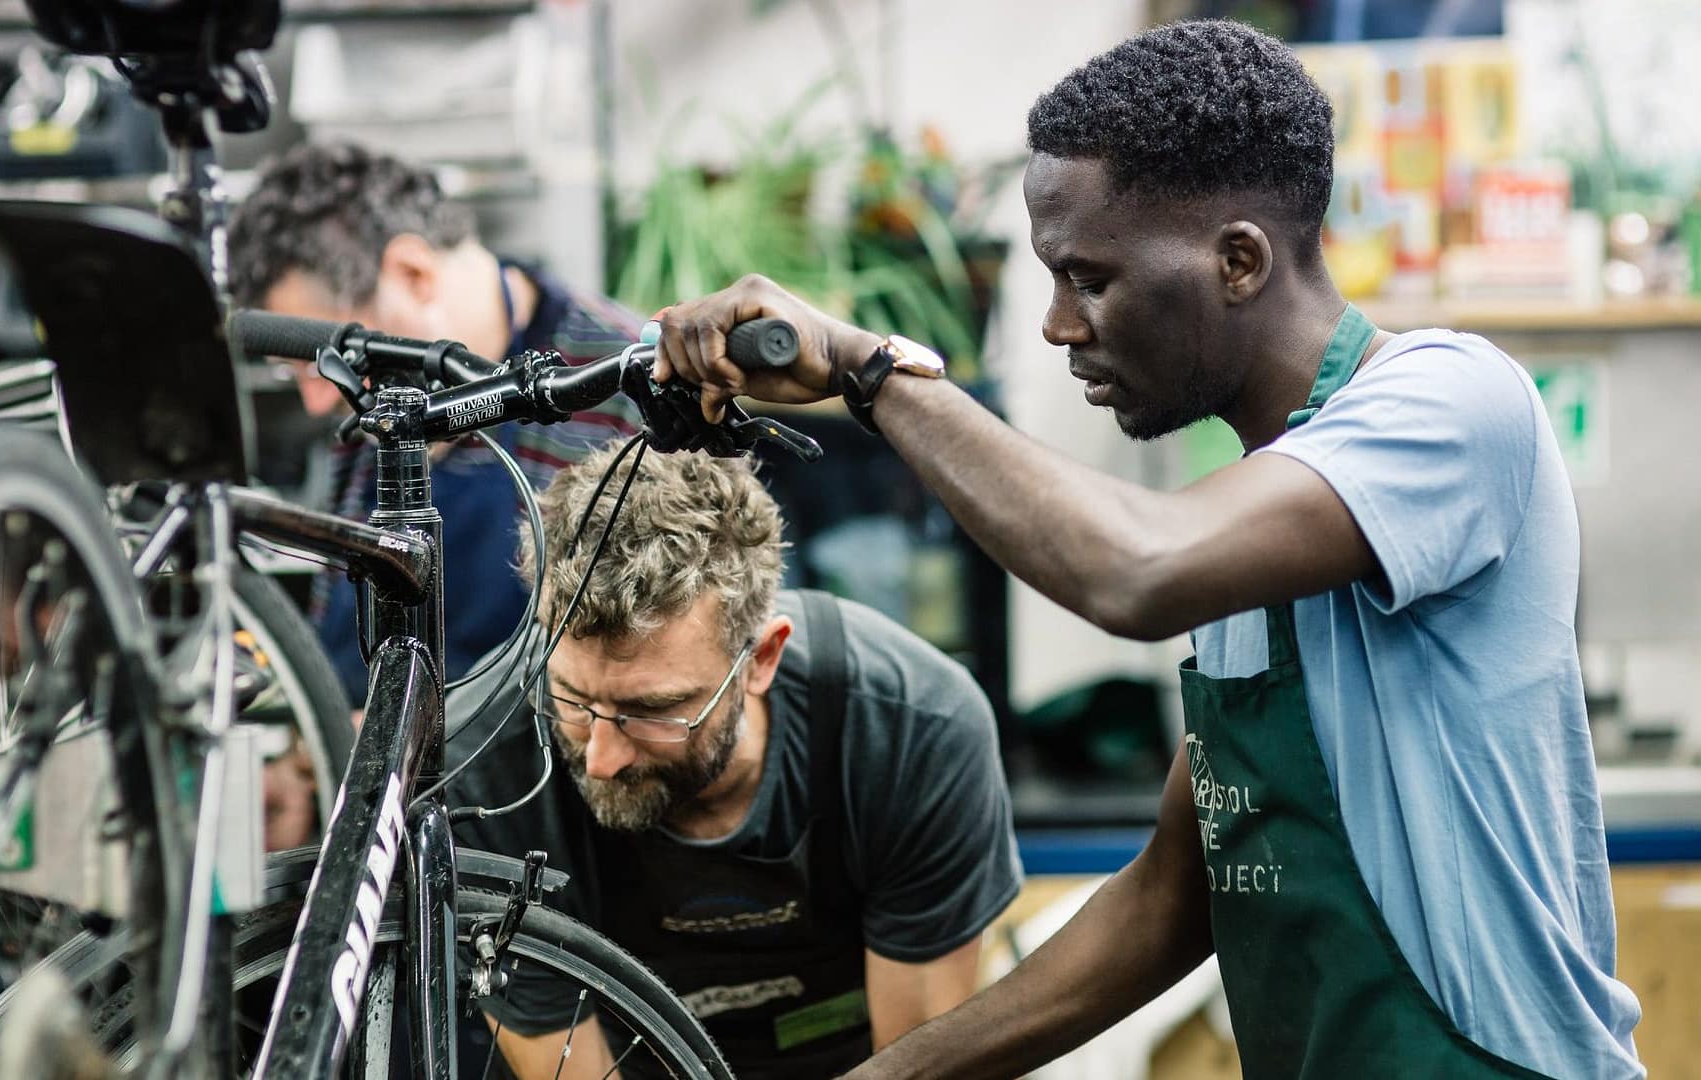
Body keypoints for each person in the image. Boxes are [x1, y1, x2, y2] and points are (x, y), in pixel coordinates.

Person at [652, 19, 1643, 1080]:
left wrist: (871, 371)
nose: (1056, 324)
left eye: (1090, 278)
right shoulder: (1254, 527)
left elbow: (1133, 569)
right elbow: (1171, 898)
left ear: (1238, 261)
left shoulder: (1450, 402)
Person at [447, 444, 1022, 1078]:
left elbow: (915, 1063)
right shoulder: (483, 766)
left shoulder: (911, 728)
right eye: (575, 698)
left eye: (652, 710)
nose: (603, 759)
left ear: (761, 660)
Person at [227, 141, 642, 697]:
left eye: (324, 364)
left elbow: (633, 689)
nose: (318, 404)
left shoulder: (619, 394)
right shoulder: (379, 391)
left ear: (414, 273)